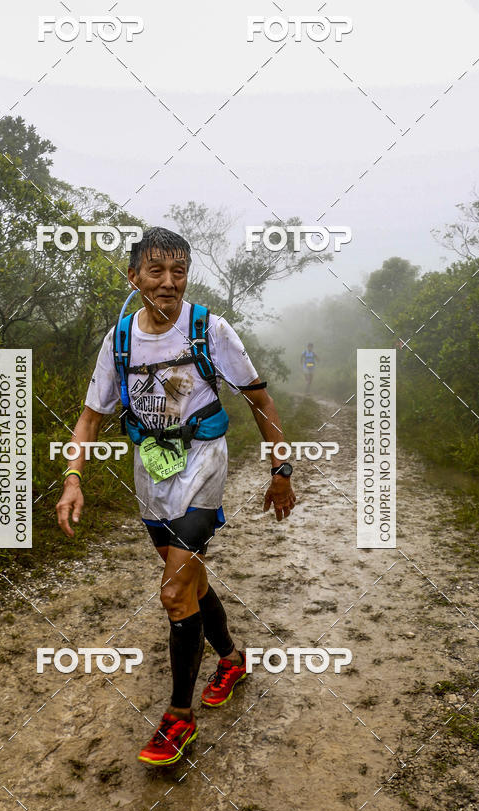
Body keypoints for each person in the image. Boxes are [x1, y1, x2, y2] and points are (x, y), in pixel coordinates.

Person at [56, 227, 296, 766]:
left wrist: (281, 467)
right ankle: (230, 659)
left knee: (172, 592)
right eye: (156, 271)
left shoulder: (209, 329)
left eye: (179, 271)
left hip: (204, 465)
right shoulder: (119, 340)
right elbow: (91, 417)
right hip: (151, 472)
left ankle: (178, 720)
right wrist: (73, 478)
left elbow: (259, 400)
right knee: (190, 580)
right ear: (133, 275)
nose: (169, 283)